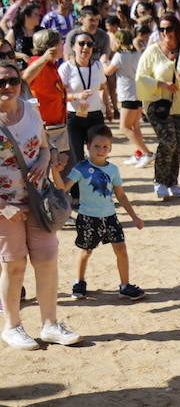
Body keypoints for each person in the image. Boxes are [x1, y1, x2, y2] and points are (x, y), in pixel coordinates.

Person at [0, 60, 81, 350]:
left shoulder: (30, 110)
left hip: (39, 199)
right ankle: (12, 326)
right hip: (6, 208)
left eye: (13, 80)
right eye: (1, 83)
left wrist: (46, 160)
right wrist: (4, 206)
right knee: (14, 265)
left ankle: (50, 324)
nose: (8, 87)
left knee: (46, 260)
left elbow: (46, 145)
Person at [51, 125, 145, 301]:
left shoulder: (113, 170)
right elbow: (63, 188)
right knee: (86, 251)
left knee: (121, 250)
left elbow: (121, 195)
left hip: (110, 217)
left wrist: (135, 217)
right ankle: (79, 282)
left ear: (110, 148)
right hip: (87, 217)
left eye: (105, 147)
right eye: (96, 146)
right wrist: (55, 172)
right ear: (88, 146)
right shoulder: (81, 168)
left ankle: (125, 286)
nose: (101, 150)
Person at [135, 13, 180, 200]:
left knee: (179, 144)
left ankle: (173, 182)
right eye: (162, 29)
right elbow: (140, 78)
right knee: (168, 141)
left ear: (177, 30)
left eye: (169, 29)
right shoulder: (152, 51)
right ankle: (160, 181)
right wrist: (161, 84)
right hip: (158, 106)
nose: (165, 33)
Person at [59, 31, 107, 174]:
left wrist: (109, 108)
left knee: (99, 153)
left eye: (89, 44)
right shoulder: (66, 68)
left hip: (95, 115)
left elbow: (104, 87)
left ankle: (98, 188)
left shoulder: (98, 66)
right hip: (75, 117)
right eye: (81, 44)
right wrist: (77, 96)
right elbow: (59, 96)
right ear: (73, 47)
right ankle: (76, 193)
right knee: (76, 157)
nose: (85, 47)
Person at [104, 29, 153, 168]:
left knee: (124, 127)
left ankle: (147, 153)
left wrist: (103, 61)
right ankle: (140, 154)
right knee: (135, 126)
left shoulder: (120, 55)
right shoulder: (137, 53)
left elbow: (108, 72)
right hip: (138, 92)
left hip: (127, 93)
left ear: (119, 41)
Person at [22, 29, 69, 162]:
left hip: (56, 128)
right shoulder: (39, 63)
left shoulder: (51, 65)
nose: (63, 45)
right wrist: (44, 58)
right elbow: (24, 79)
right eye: (61, 42)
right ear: (52, 47)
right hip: (45, 129)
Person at [7, 3, 43, 71]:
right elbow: (6, 52)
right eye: (36, 14)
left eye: (39, 14)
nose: (39, 17)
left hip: (40, 70)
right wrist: (22, 56)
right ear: (26, 16)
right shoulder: (15, 32)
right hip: (21, 71)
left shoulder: (41, 31)